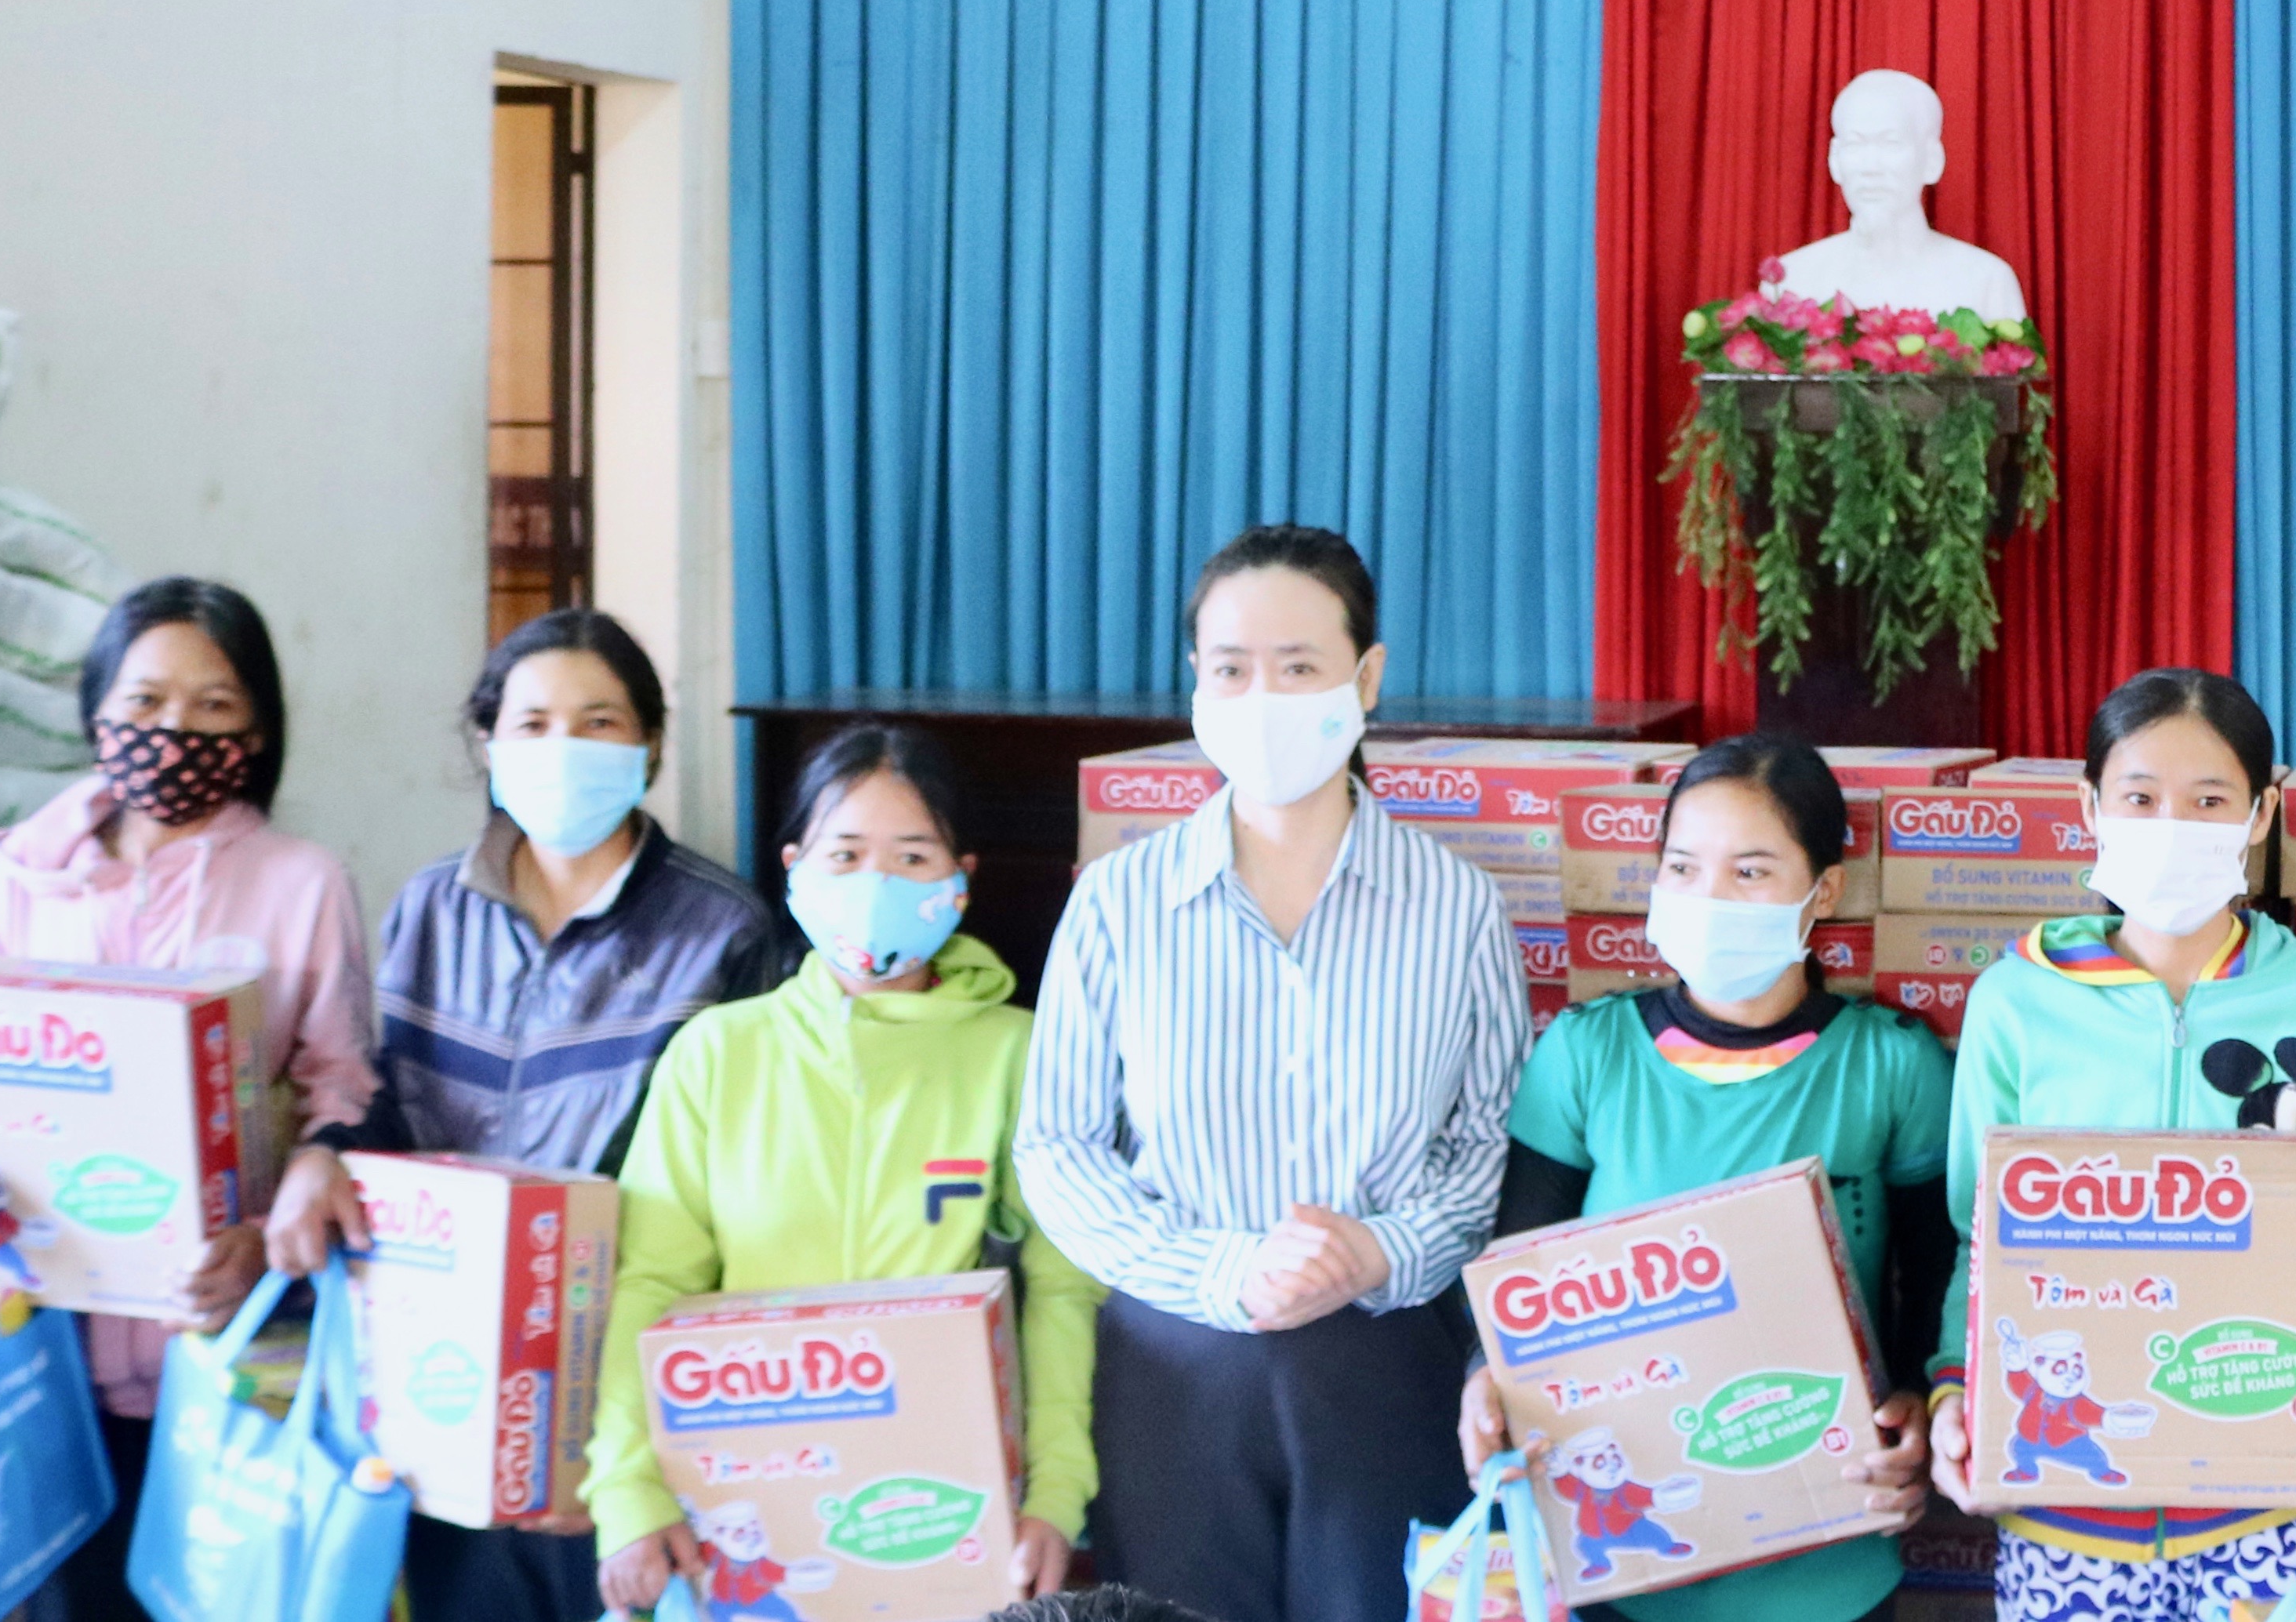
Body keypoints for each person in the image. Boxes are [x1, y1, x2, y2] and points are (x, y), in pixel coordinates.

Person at [1019, 524, 1532, 1622]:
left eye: (1298, 667)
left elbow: (1486, 1143)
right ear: (1194, 683)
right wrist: (1225, 1272)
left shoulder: (1457, 907)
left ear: (1366, 678)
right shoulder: (1119, 901)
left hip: (1388, 1365)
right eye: (1230, 669)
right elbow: (1057, 1146)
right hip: (1174, 1368)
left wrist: (1380, 1250)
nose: (1262, 699)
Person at [261, 605, 795, 1622]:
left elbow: (742, 1181)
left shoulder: (722, 926)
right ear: (488, 741)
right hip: (447, 1380)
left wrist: (625, 1449)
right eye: (534, 722)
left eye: (599, 722)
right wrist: (323, 1151)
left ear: (649, 746)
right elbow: (384, 1099)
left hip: (624, 1384)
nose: (565, 748)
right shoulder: (431, 906)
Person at [1923, 667, 2296, 1622]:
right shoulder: (2016, 1001)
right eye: (2141, 798)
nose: (2172, 825)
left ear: (2261, 814)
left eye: (2210, 801)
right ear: (2089, 808)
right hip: (2068, 1513)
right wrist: (1954, 1393)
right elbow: (1979, 1244)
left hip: (2281, 1504)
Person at [579, 723, 1095, 1614]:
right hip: (740, 1512)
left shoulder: (1020, 1054)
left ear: (961, 878)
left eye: (913, 856)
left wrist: (1057, 1493)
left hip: (938, 1511)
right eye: (846, 855)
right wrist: (624, 1489)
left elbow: (1062, 1289)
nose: (876, 884)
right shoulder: (717, 1052)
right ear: (794, 868)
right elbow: (649, 1282)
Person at [1457, 731, 1948, 1622]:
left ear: (1823, 891)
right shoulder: (1586, 1053)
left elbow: (1937, 1270)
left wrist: (1922, 1398)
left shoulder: (1892, 1064)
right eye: (1682, 868)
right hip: (1621, 1553)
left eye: (1750, 872)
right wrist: (1482, 1383)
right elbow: (1512, 1272)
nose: (1709, 896)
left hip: (1831, 1547)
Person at [0, 578, 377, 1622]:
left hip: (221, 1355)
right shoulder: (20, 880)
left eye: (214, 704)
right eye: (145, 700)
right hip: (36, 1353)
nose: (173, 730)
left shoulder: (303, 881)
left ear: (257, 729)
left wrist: (262, 1234)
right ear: (96, 711)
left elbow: (341, 1083)